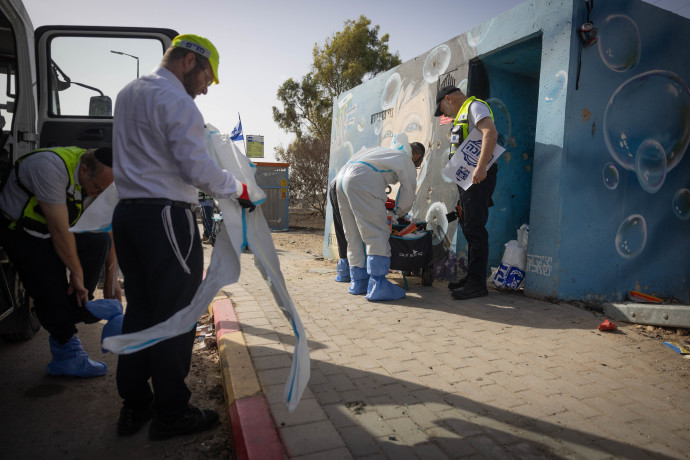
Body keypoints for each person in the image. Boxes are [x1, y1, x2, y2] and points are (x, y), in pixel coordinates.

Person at [111, 34, 255, 440]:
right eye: (208, 76)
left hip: (129, 215)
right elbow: (197, 169)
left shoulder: (128, 92)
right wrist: (240, 189)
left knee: (140, 310)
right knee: (177, 313)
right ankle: (172, 412)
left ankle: (135, 405)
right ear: (190, 61)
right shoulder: (178, 102)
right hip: (165, 219)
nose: (207, 87)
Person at [0, 146, 120, 377]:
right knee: (50, 284)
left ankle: (78, 306)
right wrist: (76, 273)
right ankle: (67, 353)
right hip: (22, 232)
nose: (97, 195)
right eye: (96, 189)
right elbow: (58, 229)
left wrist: (111, 280)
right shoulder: (48, 166)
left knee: (97, 242)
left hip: (52, 230)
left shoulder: (101, 182)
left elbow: (109, 228)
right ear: (84, 170)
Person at [335, 133, 424, 301]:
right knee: (377, 232)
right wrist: (399, 212)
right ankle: (378, 285)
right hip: (362, 178)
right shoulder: (406, 160)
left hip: (341, 179)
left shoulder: (381, 152)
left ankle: (358, 281)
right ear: (416, 156)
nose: (417, 166)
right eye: (418, 164)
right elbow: (408, 191)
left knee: (352, 234)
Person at [434, 86, 498, 300]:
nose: (443, 114)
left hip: (478, 177)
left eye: (441, 108)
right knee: (469, 227)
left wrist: (480, 168)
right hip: (468, 179)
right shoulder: (463, 113)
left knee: (475, 228)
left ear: (448, 98)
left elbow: (490, 132)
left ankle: (478, 283)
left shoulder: (475, 106)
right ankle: (473, 277)